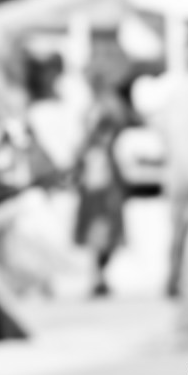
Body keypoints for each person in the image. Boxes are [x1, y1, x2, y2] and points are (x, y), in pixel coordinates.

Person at [72, 74, 129, 297]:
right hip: (93, 192)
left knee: (108, 236)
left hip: (106, 191)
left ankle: (101, 276)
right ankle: (98, 278)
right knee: (96, 236)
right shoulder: (89, 147)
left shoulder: (108, 108)